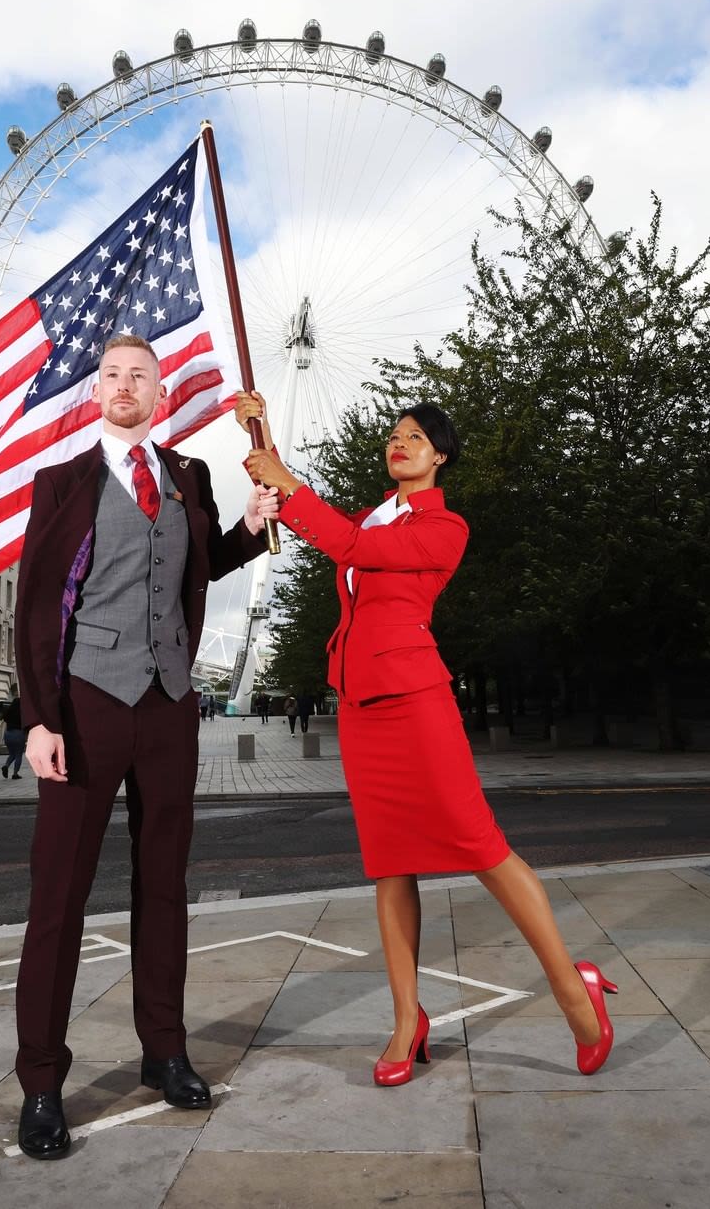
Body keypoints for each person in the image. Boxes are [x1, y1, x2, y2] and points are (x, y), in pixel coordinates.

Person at [239, 391, 617, 1086]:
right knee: (389, 864)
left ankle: (573, 988)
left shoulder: (445, 527)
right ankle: (408, 1021)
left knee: (482, 847)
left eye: (415, 437)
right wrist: (261, 435)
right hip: (360, 705)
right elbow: (326, 526)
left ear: (439, 455)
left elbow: (349, 544)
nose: (399, 442)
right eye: (394, 434)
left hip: (416, 701)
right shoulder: (372, 513)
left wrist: (290, 484)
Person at [12, 334, 278, 1160]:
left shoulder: (188, 475)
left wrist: (248, 525)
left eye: (140, 376)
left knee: (164, 886)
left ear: (160, 393)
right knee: (59, 898)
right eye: (113, 376)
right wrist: (39, 719)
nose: (126, 386)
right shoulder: (61, 482)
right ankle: (43, 1084)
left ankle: (164, 1051)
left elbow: (196, 565)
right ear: (97, 392)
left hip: (169, 704)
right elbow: (34, 608)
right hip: (86, 704)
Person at [1, 691, 25, 779]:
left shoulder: (9, 712)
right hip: (18, 734)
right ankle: (15, 773)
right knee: (18, 754)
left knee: (12, 754)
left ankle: (6, 766)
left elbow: (4, 719)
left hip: (8, 734)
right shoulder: (22, 713)